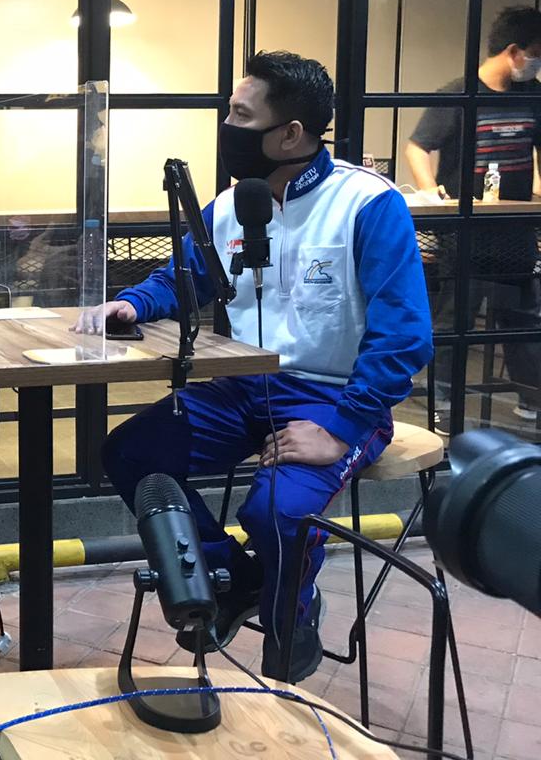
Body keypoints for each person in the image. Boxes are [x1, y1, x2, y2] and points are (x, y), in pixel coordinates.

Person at [80, 52, 432, 682]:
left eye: (241, 115)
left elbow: (404, 336)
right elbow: (184, 276)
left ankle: (289, 622)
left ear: (290, 133)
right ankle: (231, 577)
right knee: (130, 453)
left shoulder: (367, 203)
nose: (227, 126)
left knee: (276, 513)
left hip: (335, 399)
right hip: (242, 388)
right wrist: (132, 303)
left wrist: (341, 428)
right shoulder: (228, 207)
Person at [405, 5, 541, 425]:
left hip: (515, 228)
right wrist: (431, 193)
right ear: (514, 51)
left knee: (521, 318)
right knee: (455, 318)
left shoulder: (533, 95)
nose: (536, 64)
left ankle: (532, 400)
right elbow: (417, 147)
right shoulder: (460, 94)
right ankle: (441, 399)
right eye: (536, 54)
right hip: (467, 230)